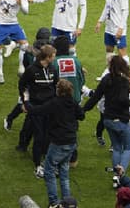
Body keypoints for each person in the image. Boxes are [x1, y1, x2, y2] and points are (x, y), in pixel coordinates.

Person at [24, 78, 81, 206]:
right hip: (71, 141)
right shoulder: (72, 102)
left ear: (58, 90)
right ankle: (67, 202)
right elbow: (81, 115)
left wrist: (26, 100)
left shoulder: (54, 103)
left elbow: (35, 111)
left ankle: (54, 202)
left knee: (49, 171)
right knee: (64, 172)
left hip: (58, 142)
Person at [83, 54, 130, 174]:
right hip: (120, 119)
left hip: (107, 119)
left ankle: (116, 177)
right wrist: (129, 102)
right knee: (129, 147)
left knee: (117, 147)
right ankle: (121, 170)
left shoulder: (106, 78)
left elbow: (95, 97)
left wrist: (84, 109)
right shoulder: (123, 81)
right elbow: (123, 99)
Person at [96, 0, 130, 65]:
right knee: (109, 49)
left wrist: (121, 28)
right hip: (109, 27)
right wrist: (100, 21)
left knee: (122, 51)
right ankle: (109, 71)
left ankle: (128, 75)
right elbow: (106, 7)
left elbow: (125, 11)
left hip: (117, 28)